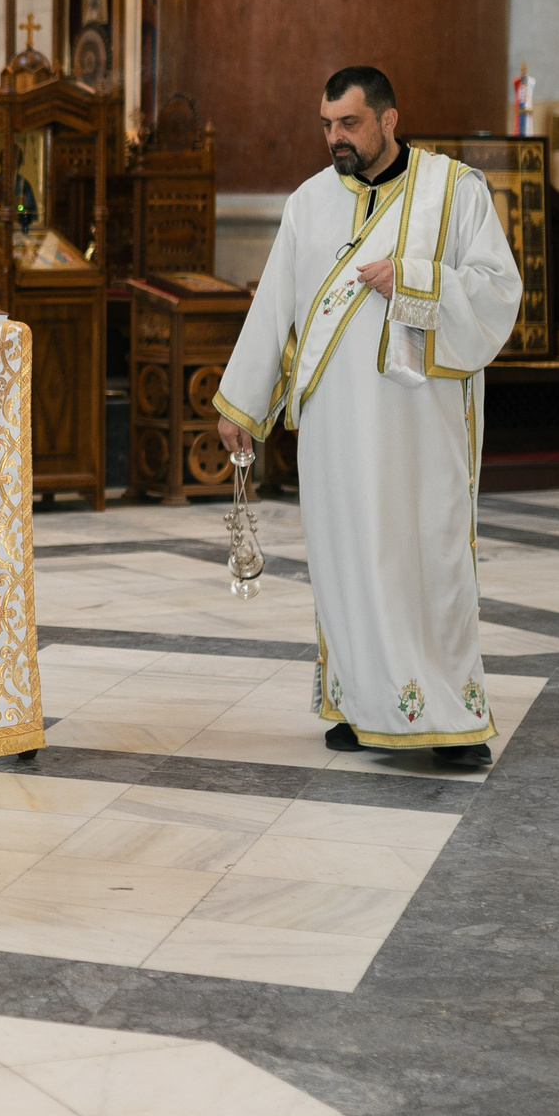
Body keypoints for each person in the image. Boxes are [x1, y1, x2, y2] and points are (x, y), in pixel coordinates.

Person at [214, 66, 522, 768]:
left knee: (427, 559)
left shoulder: (456, 193)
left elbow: (499, 294)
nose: (335, 139)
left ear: (388, 118)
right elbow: (277, 309)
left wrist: (414, 282)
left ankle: (449, 719)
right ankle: (359, 702)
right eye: (326, 125)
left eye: (348, 124)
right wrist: (245, 404)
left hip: (421, 424)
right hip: (335, 428)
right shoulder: (310, 203)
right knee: (346, 560)